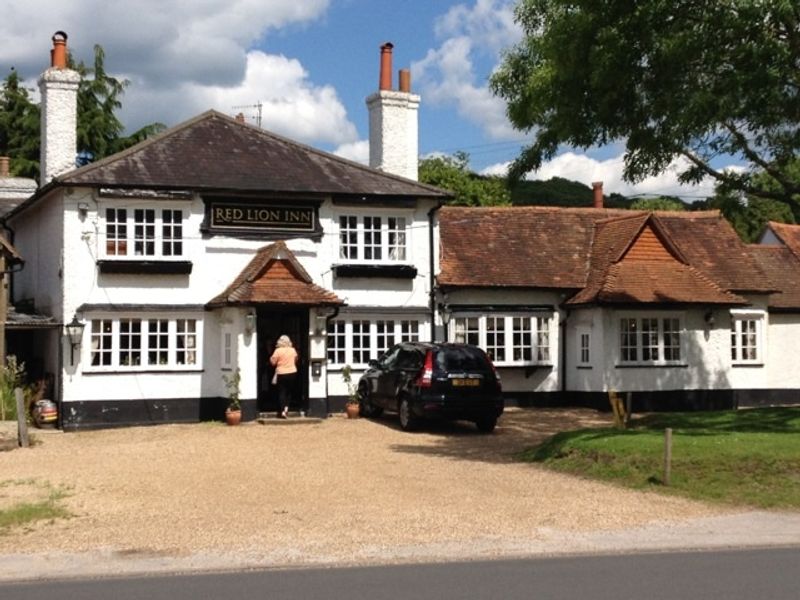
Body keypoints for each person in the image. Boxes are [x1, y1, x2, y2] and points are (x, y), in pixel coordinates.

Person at [270, 335, 298, 418]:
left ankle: (282, 411)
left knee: (282, 392)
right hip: (292, 372)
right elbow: (296, 359)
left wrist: (271, 359)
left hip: (281, 373)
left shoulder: (278, 351)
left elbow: (273, 362)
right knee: (289, 392)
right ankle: (286, 408)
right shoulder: (293, 350)